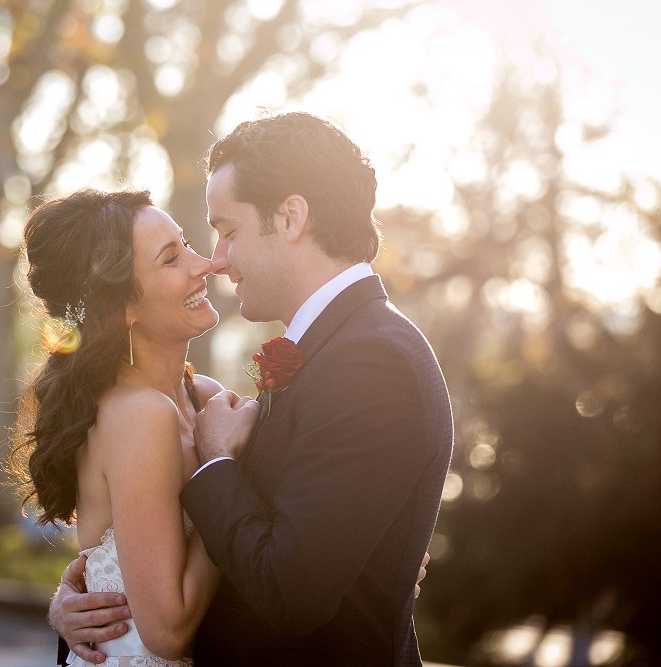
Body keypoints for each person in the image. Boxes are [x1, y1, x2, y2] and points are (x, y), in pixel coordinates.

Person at [51, 112, 454, 666]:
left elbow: (293, 581)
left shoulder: (369, 360)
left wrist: (220, 465)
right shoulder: (329, 355)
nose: (214, 260)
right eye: (178, 254)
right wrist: (78, 605)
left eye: (227, 231)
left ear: (290, 217)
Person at [12, 188, 235, 665]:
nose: (204, 265)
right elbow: (168, 631)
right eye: (171, 259)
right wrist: (225, 467)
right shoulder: (139, 416)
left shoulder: (208, 399)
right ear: (122, 308)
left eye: (187, 243)